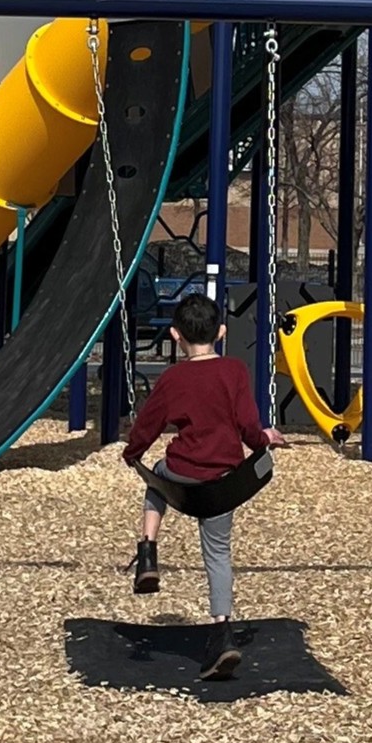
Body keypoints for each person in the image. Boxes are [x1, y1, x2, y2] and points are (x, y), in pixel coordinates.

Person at [119, 291, 285, 679]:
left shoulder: (172, 377)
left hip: (181, 479)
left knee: (155, 473)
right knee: (218, 555)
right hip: (222, 484)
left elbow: (148, 425)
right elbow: (247, 426)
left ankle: (147, 551)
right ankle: (222, 633)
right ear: (222, 332)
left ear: (176, 336)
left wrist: (132, 453)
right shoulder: (235, 371)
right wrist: (265, 438)